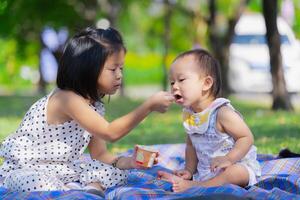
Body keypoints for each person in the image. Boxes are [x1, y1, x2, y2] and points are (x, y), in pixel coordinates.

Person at [0, 27, 174, 194]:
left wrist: (131, 162)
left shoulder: (95, 106)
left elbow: (100, 155)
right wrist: (148, 106)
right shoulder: (66, 99)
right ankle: (73, 192)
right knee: (31, 181)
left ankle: (90, 189)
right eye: (113, 69)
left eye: (121, 68)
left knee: (110, 172)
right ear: (87, 69)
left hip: (62, 167)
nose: (120, 75)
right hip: (27, 167)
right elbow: (110, 133)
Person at [157, 49, 261, 192]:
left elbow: (246, 137)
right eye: (172, 82)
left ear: (206, 83)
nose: (175, 86)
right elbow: (191, 146)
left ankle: (196, 186)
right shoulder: (190, 115)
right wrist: (189, 170)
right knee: (207, 175)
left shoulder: (222, 112)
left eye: (181, 80)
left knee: (236, 173)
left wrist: (229, 159)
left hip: (234, 165)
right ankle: (197, 182)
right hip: (207, 172)